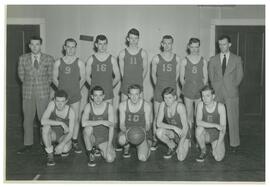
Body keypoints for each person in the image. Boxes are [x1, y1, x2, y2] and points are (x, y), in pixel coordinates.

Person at [17, 36, 54, 154]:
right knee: (27, 119)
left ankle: (45, 143)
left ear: (40, 45)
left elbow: (51, 77)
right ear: (29, 46)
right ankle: (28, 144)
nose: (34, 47)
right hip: (28, 93)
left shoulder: (48, 58)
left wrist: (41, 85)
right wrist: (30, 85)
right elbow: (21, 76)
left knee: (43, 119)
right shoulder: (23, 58)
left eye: (37, 44)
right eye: (32, 44)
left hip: (43, 92)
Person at [208, 35, 244, 152]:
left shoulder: (237, 59)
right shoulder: (213, 59)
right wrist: (215, 87)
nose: (222, 47)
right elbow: (211, 76)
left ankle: (234, 144)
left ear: (229, 44)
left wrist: (232, 86)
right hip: (217, 93)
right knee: (216, 119)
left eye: (224, 44)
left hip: (231, 93)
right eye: (220, 44)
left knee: (233, 119)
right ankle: (216, 141)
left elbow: (240, 76)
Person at [53, 38, 85, 154]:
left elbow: (83, 79)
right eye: (68, 47)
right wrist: (62, 92)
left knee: (75, 118)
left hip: (75, 95)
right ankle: (62, 139)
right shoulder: (58, 62)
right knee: (62, 118)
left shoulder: (80, 62)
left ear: (75, 48)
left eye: (73, 47)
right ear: (64, 47)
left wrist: (76, 90)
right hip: (62, 97)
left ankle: (75, 140)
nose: (71, 49)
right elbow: (54, 79)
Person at [151, 35, 181, 151]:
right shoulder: (156, 58)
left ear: (172, 44)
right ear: (162, 44)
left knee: (174, 117)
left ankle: (175, 139)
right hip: (159, 91)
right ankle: (154, 139)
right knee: (156, 116)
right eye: (165, 43)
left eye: (170, 43)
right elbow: (153, 75)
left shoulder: (177, 58)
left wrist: (171, 86)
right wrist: (158, 86)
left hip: (172, 92)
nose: (167, 46)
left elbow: (177, 75)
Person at [81, 86, 116, 167]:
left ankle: (99, 148)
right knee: (87, 129)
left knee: (110, 159)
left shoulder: (109, 107)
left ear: (103, 96)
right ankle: (91, 154)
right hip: (93, 137)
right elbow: (83, 123)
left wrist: (109, 145)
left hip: (104, 139)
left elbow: (111, 128)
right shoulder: (88, 106)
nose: (98, 98)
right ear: (92, 97)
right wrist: (102, 121)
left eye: (100, 95)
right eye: (95, 95)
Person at [118, 84, 152, 161]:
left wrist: (141, 132)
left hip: (141, 132)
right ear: (129, 95)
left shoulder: (146, 105)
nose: (134, 97)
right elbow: (121, 124)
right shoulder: (122, 105)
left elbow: (148, 125)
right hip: (127, 131)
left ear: (140, 94)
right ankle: (126, 147)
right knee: (121, 140)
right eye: (132, 94)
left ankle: (147, 144)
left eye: (136, 94)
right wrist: (129, 133)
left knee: (142, 158)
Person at [41, 90, 75, 166]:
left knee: (65, 149)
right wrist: (61, 123)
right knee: (45, 128)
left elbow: (71, 133)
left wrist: (62, 144)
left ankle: (57, 145)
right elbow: (43, 121)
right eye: (57, 101)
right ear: (54, 100)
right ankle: (50, 154)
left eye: (62, 101)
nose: (59, 104)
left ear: (66, 101)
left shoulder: (71, 112)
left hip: (62, 136)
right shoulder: (52, 104)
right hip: (52, 133)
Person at [180, 38, 208, 132]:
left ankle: (198, 136)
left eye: (196, 47)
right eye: (192, 47)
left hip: (199, 92)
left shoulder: (203, 61)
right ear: (189, 47)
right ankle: (189, 137)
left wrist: (202, 91)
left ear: (199, 47)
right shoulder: (184, 60)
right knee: (189, 114)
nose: (194, 49)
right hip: (188, 91)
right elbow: (181, 79)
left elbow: (205, 78)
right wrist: (187, 88)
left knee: (199, 115)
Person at [156, 87, 190, 161]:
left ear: (175, 97)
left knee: (180, 158)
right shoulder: (162, 104)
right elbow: (158, 123)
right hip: (173, 132)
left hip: (183, 133)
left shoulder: (180, 107)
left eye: (169, 98)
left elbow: (186, 127)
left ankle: (184, 143)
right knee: (159, 132)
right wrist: (173, 128)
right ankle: (172, 146)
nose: (167, 100)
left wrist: (180, 145)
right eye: (165, 98)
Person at [86, 34, 120, 104]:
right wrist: (93, 87)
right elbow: (86, 76)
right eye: (100, 44)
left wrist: (109, 87)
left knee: (108, 113)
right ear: (96, 45)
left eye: (104, 44)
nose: (102, 46)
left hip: (107, 93)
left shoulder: (112, 59)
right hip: (94, 94)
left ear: (107, 45)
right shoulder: (91, 59)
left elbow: (117, 77)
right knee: (93, 114)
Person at [195, 85, 226, 162]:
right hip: (206, 134)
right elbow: (198, 122)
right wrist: (215, 125)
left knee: (218, 158)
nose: (204, 98)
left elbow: (223, 129)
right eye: (203, 96)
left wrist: (218, 146)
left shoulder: (220, 107)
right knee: (198, 130)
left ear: (213, 96)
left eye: (207, 96)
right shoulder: (200, 105)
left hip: (216, 136)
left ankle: (214, 146)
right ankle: (203, 150)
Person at [119, 28, 148, 101]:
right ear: (128, 39)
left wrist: (139, 80)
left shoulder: (143, 52)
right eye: (131, 38)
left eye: (136, 38)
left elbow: (145, 69)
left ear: (138, 39)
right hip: (126, 85)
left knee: (140, 108)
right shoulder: (122, 53)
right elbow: (122, 71)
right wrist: (127, 80)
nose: (134, 40)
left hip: (138, 85)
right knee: (124, 108)